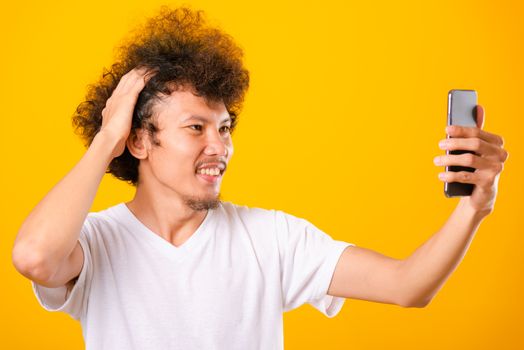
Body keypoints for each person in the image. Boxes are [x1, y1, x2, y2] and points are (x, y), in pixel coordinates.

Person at [12, 5, 508, 350]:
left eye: (224, 128)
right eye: (195, 128)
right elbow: (34, 257)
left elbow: (408, 285)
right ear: (139, 141)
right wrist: (106, 139)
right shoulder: (95, 245)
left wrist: (474, 206)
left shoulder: (270, 239)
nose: (220, 146)